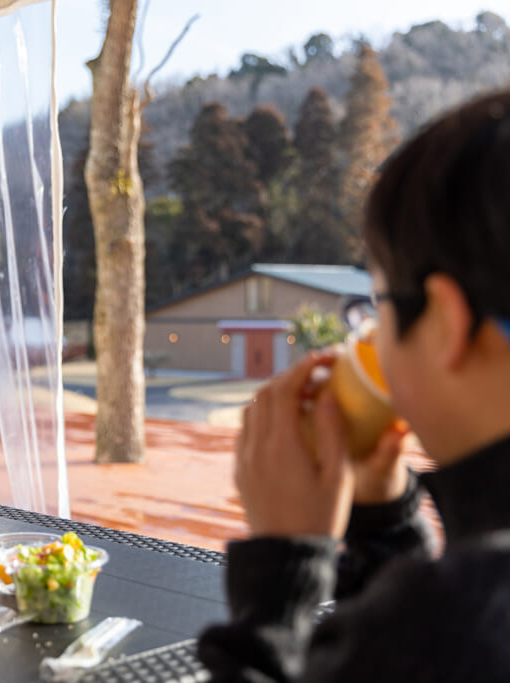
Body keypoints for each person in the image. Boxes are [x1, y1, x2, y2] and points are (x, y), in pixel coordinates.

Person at [197, 89, 510, 681]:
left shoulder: (449, 628)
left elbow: (439, 636)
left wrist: (280, 575)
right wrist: (388, 525)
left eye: (379, 305)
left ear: (445, 320)